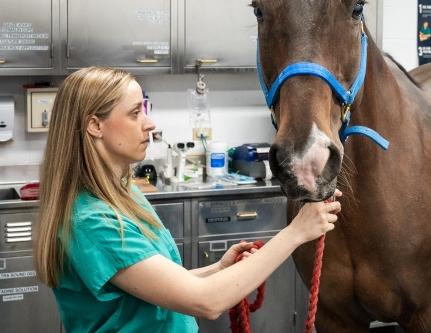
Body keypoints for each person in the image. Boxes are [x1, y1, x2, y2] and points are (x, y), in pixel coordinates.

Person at [33, 67, 341, 333]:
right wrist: (296, 232)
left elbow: (160, 288)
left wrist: (218, 269)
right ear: (95, 125)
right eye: (134, 113)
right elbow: (206, 301)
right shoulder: (93, 222)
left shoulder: (125, 193)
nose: (149, 124)